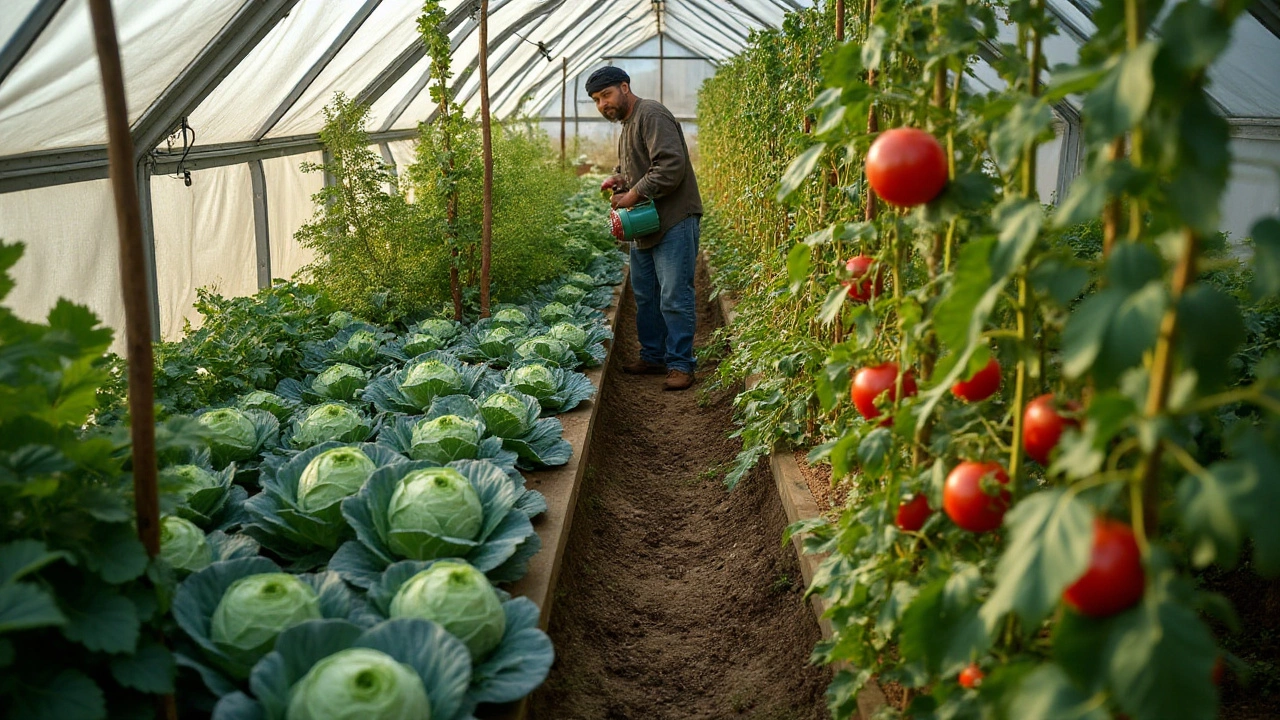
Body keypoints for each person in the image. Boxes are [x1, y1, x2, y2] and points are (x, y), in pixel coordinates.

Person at [587, 66, 703, 391]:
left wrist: (633, 193)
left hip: (674, 219)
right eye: (596, 100)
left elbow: (670, 165)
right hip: (646, 222)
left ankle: (681, 364)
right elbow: (639, 167)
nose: (602, 104)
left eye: (606, 95)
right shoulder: (627, 125)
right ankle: (653, 355)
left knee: (674, 295)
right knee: (646, 295)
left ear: (625, 87)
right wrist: (619, 179)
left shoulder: (650, 113)